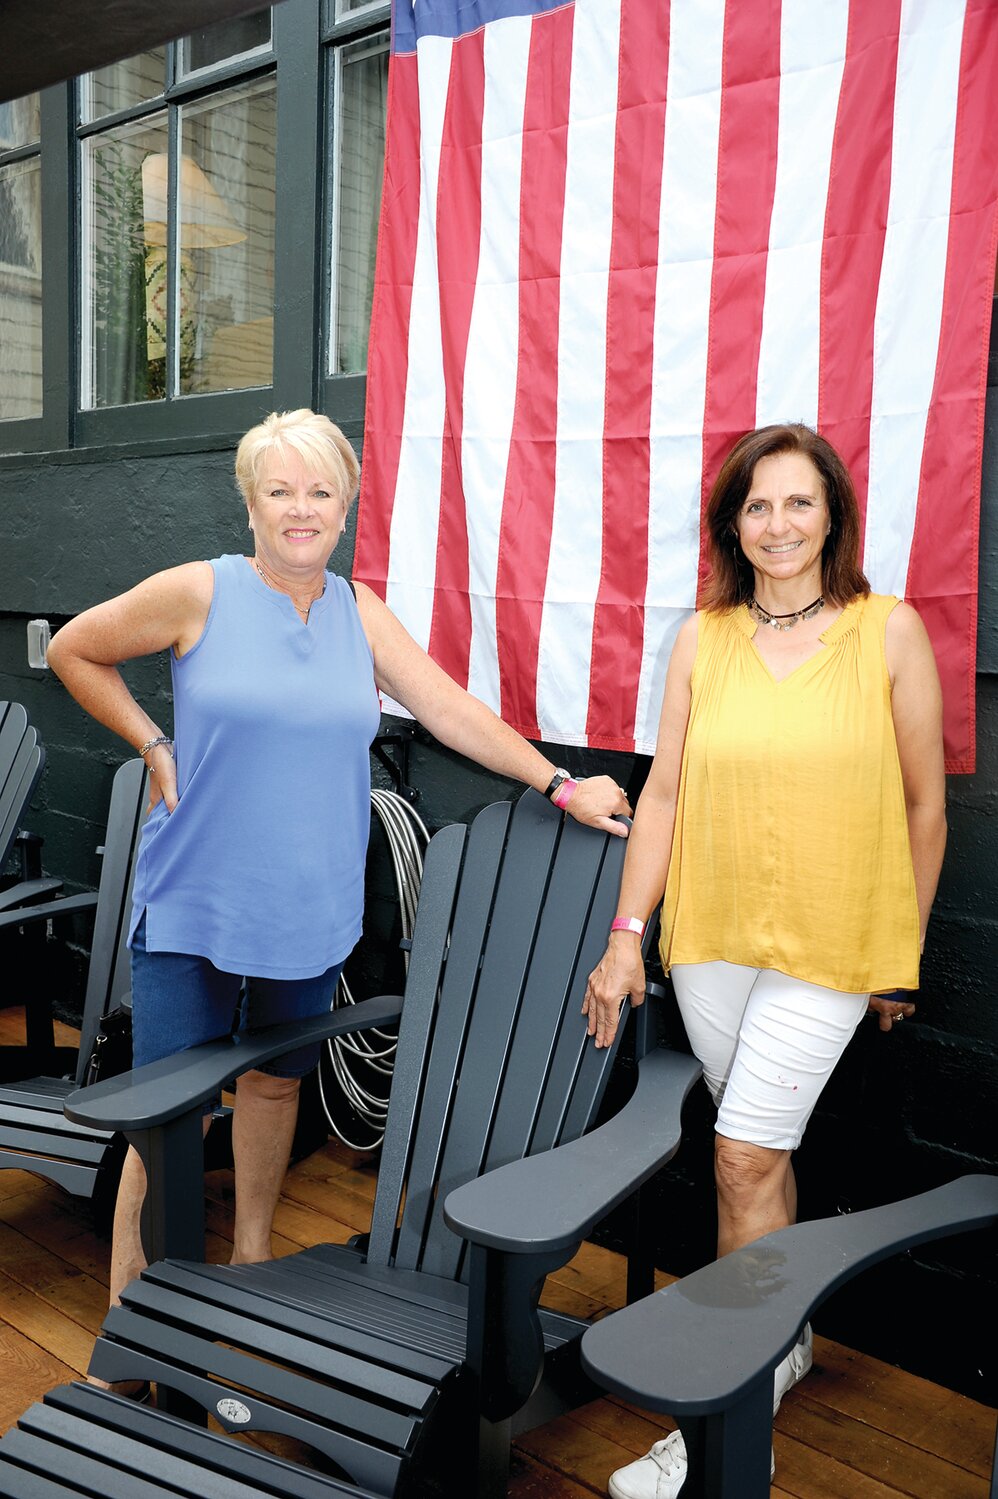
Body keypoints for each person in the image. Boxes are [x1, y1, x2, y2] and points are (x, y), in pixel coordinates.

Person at [47, 407, 631, 1332]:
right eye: (280, 491)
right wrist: (154, 744)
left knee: (276, 1087)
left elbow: (450, 711)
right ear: (251, 505)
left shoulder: (361, 614)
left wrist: (559, 784)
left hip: (307, 912)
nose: (300, 509)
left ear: (346, 502)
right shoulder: (199, 591)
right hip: (194, 901)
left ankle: (249, 1261)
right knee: (168, 1116)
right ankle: (129, 1300)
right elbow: (70, 648)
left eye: (320, 491)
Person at [582, 423, 946, 1499]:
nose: (777, 524)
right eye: (756, 505)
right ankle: (777, 1340)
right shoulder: (701, 637)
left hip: (830, 946)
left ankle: (722, 1421)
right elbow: (662, 794)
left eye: (798, 502)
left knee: (738, 1159)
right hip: (710, 939)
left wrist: (900, 951)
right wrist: (624, 935)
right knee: (761, 1154)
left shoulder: (886, 631)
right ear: (729, 524)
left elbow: (925, 804)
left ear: (830, 513)